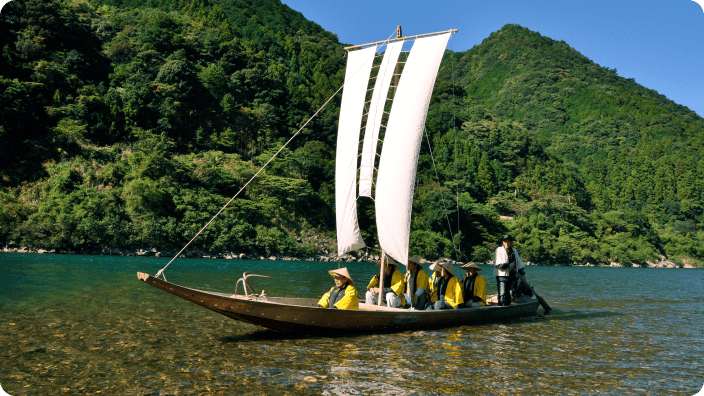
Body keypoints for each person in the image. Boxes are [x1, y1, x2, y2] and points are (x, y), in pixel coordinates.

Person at [494, 234, 526, 306]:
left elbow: (519, 263)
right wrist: (508, 265)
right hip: (502, 276)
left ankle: (508, 308)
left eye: (509, 241)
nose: (507, 243)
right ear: (503, 242)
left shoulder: (514, 251)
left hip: (511, 277)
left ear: (511, 242)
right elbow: (498, 264)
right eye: (505, 241)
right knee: (502, 294)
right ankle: (501, 308)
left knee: (509, 295)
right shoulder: (499, 250)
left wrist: (523, 275)